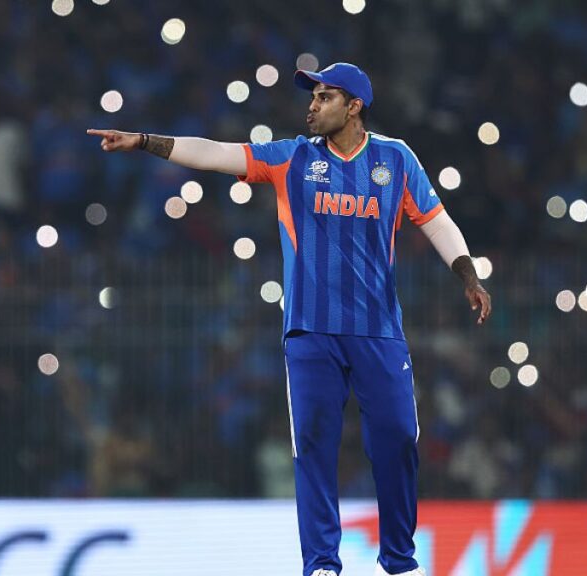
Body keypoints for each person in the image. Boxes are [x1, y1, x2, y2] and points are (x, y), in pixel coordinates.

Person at [87, 62, 491, 576]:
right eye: (312, 97)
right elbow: (216, 154)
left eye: (324, 97)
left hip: (379, 329)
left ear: (354, 106)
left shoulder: (396, 159)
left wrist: (468, 276)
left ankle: (398, 562)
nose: (312, 106)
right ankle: (322, 565)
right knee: (314, 445)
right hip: (310, 330)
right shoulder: (292, 157)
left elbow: (437, 222)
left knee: (396, 440)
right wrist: (144, 141)